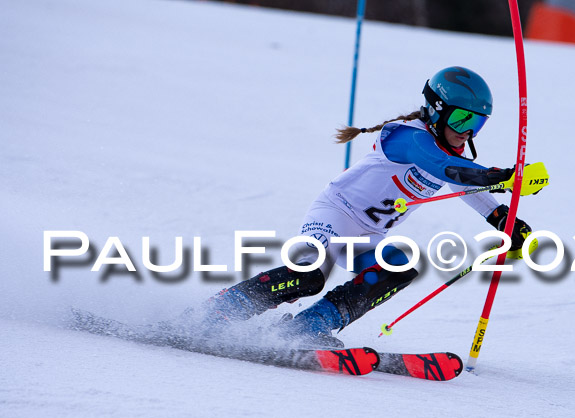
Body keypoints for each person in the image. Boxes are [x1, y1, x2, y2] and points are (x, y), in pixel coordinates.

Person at [206, 66, 537, 346]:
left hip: (368, 233)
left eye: (477, 124)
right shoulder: (409, 137)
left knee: (398, 269)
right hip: (335, 215)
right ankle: (223, 308)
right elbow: (446, 169)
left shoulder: (451, 151)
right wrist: (507, 176)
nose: (467, 132)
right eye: (463, 119)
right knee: (308, 277)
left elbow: (462, 182)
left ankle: (307, 328)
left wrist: (501, 218)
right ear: (437, 109)